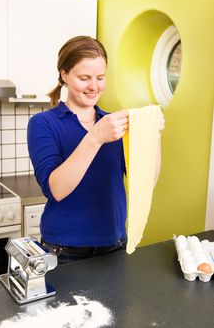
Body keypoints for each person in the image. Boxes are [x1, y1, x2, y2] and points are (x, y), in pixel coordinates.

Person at [27, 35, 163, 265]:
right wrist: (96, 137)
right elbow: (56, 190)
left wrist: (153, 135)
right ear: (64, 75)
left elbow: (147, 181)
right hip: (64, 251)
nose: (94, 86)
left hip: (115, 244)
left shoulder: (113, 123)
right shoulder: (43, 123)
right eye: (84, 78)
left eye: (100, 78)